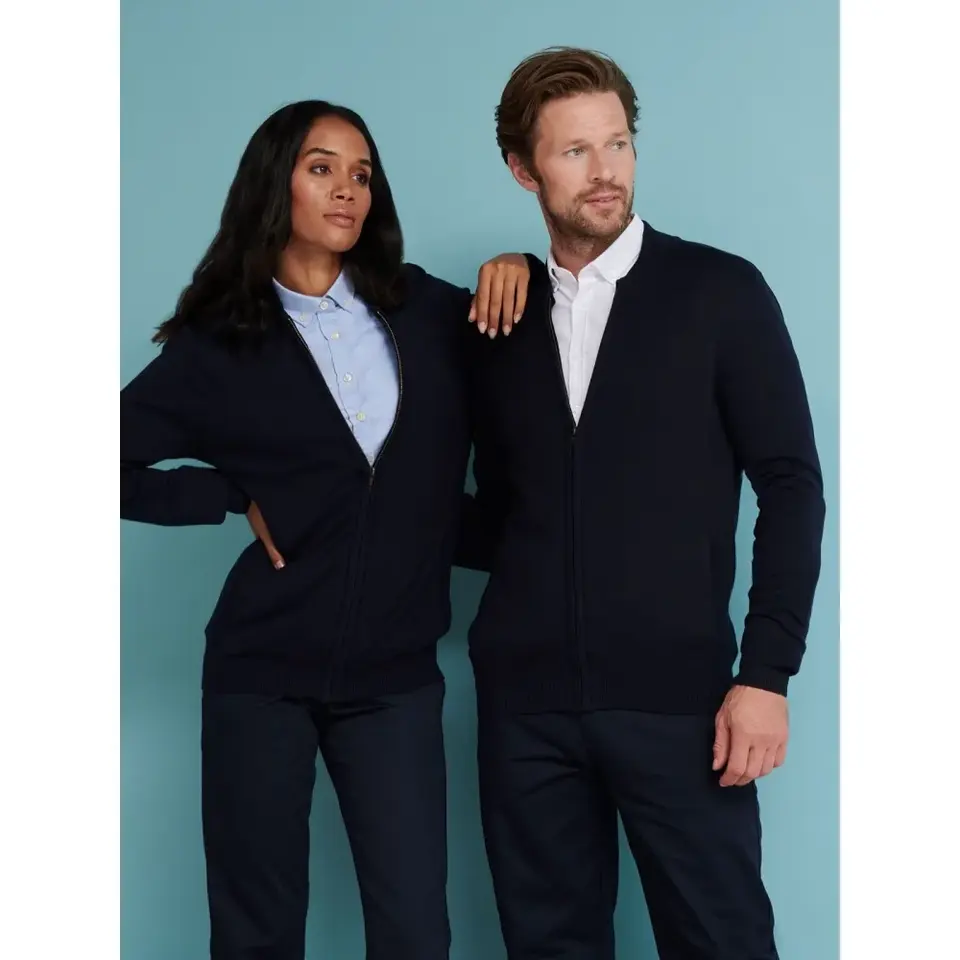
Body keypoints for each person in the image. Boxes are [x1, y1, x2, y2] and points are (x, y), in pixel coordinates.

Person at [120, 99, 528, 960]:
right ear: (277, 184)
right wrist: (226, 493)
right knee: (257, 932)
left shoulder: (426, 312)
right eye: (321, 168)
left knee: (415, 931)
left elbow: (532, 343)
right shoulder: (219, 343)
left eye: (361, 173)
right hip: (259, 675)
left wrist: (518, 263)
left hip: (396, 680)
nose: (347, 189)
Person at [460, 48, 826, 960]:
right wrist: (350, 521)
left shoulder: (721, 293)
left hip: (683, 708)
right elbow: (502, 514)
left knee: (722, 942)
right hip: (526, 711)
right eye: (574, 151)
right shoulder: (499, 322)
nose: (606, 171)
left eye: (617, 143)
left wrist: (767, 674)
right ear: (522, 169)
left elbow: (791, 484)